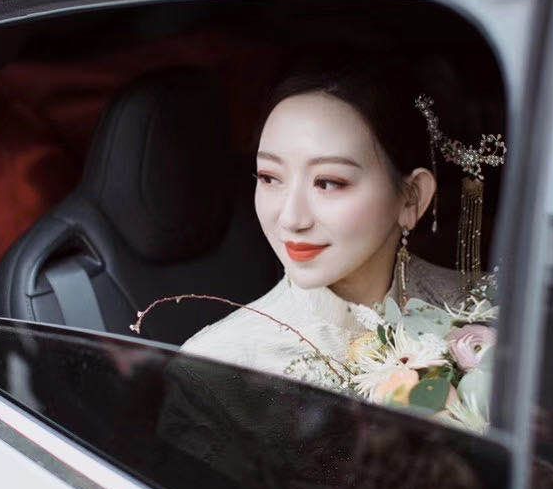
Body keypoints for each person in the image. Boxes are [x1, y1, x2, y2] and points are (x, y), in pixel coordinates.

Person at [180, 61, 464, 388]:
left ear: (412, 197)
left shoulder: (486, 316)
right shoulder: (216, 368)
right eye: (269, 177)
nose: (291, 219)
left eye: (328, 182)